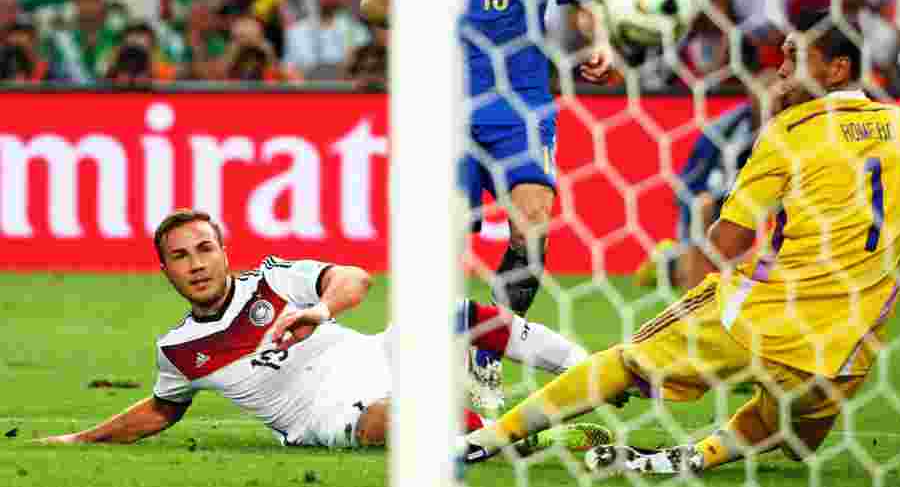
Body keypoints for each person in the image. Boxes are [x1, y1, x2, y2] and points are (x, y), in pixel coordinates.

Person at [458, 11, 900, 475]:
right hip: (846, 348)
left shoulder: (790, 133)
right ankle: (690, 457)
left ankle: (485, 439)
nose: (782, 70)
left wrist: (693, 299)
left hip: (757, 317)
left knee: (625, 363)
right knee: (791, 439)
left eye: (794, 58)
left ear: (837, 68)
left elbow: (728, 240)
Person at [40, 209, 609, 451]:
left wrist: (321, 311)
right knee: (406, 422)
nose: (196, 264)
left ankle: (592, 371)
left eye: (205, 249)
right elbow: (164, 409)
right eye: (181, 256)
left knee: (451, 312)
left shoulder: (273, 279)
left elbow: (355, 279)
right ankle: (538, 436)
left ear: (223, 250)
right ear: (165, 269)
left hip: (379, 353)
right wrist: (83, 439)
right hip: (331, 414)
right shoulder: (178, 350)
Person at [359, 0, 614, 318]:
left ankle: (490, 353)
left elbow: (586, 3)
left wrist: (601, 42)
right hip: (447, 105)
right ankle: (441, 352)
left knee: (533, 223)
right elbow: (374, 4)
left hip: (522, 104)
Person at [634, 69, 778, 288]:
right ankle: (673, 267)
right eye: (764, 94)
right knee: (703, 206)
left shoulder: (790, 130)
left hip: (767, 207)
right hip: (723, 205)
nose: (771, 103)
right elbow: (689, 183)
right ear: (751, 95)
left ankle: (675, 263)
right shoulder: (725, 129)